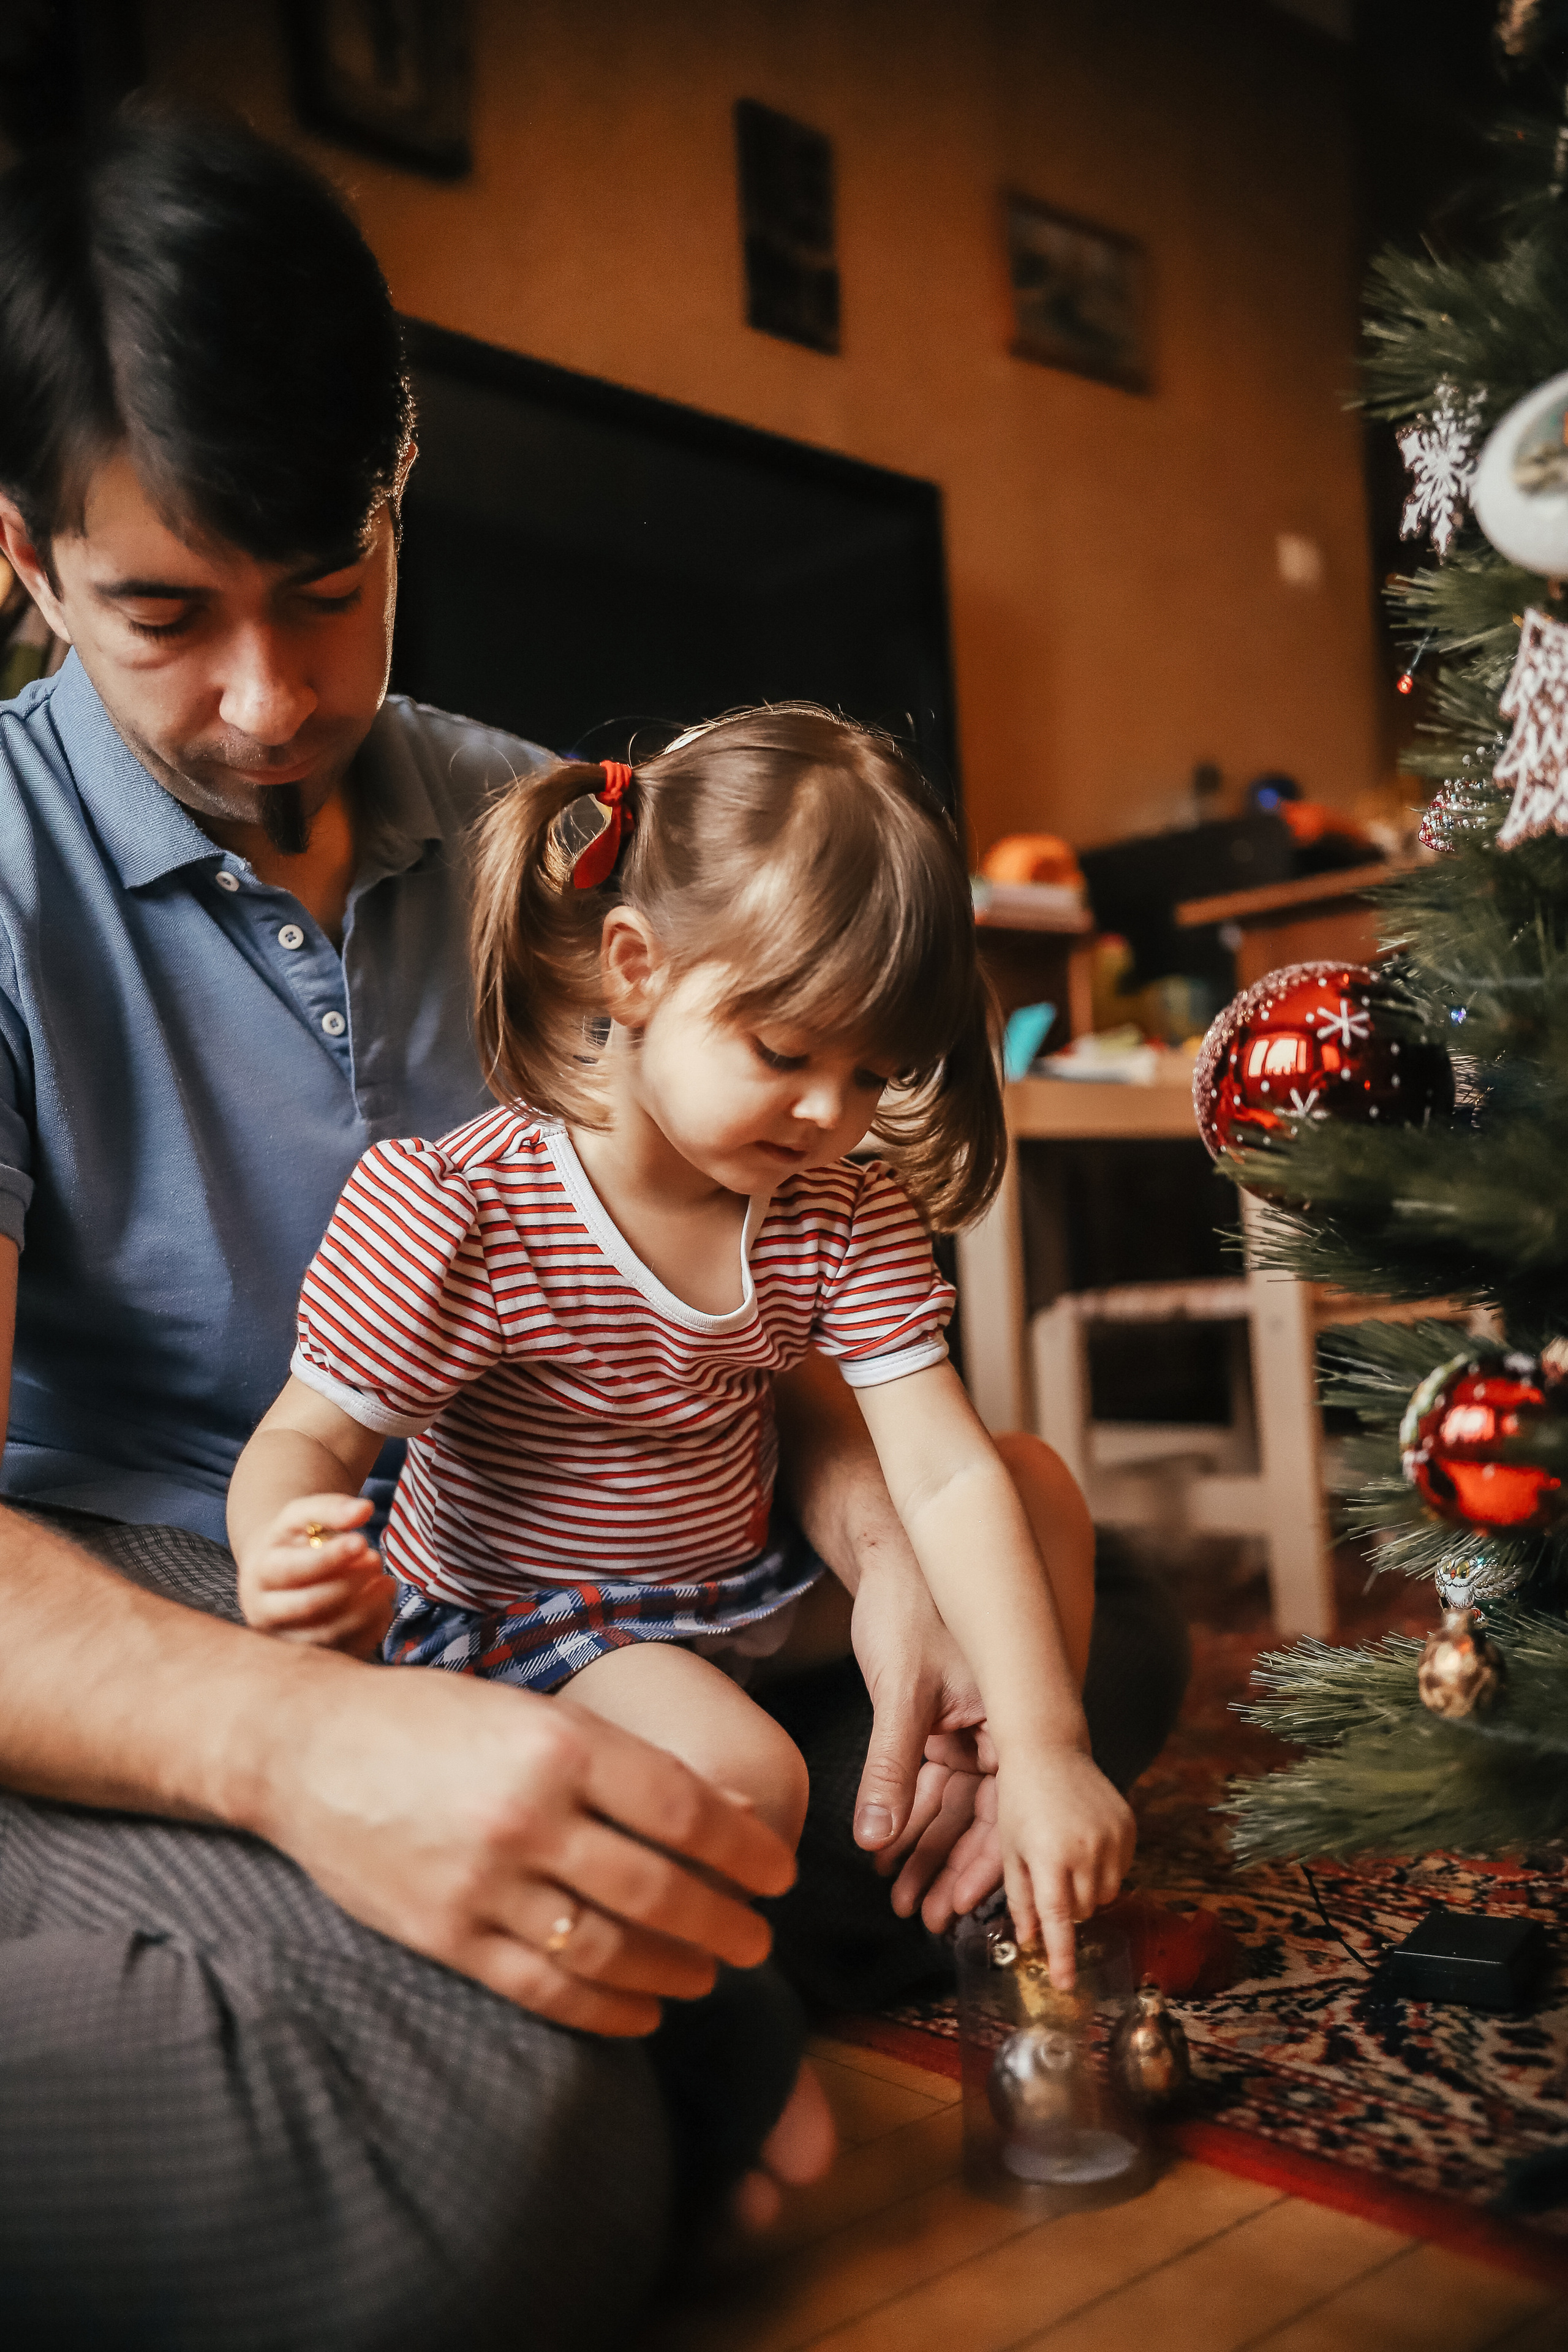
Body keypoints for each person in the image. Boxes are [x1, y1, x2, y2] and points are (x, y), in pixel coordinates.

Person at [0, 115, 1188, 2348]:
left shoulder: (564, 844)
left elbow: (769, 1298)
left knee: (1060, 1596)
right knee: (465, 2180)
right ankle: (612, 2013)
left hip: (608, 1547)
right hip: (172, 1595)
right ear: (26, 561)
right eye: (168, 615)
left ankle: (666, 1972)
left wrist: (881, 1541)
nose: (266, 701)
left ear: (398, 492)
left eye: (327, 589)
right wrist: (294, 1746)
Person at [230, 710, 1137, 1989]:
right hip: (534, 1624)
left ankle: (1001, 1811)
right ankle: (736, 2011)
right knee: (742, 1779)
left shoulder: (837, 1206)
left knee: (1032, 1486)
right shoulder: (467, 1211)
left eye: (872, 1075)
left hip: (736, 1589)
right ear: (634, 967)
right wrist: (287, 1551)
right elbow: (305, 1443)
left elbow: (943, 1476)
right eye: (782, 1051)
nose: (829, 1114)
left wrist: (1048, 1743)